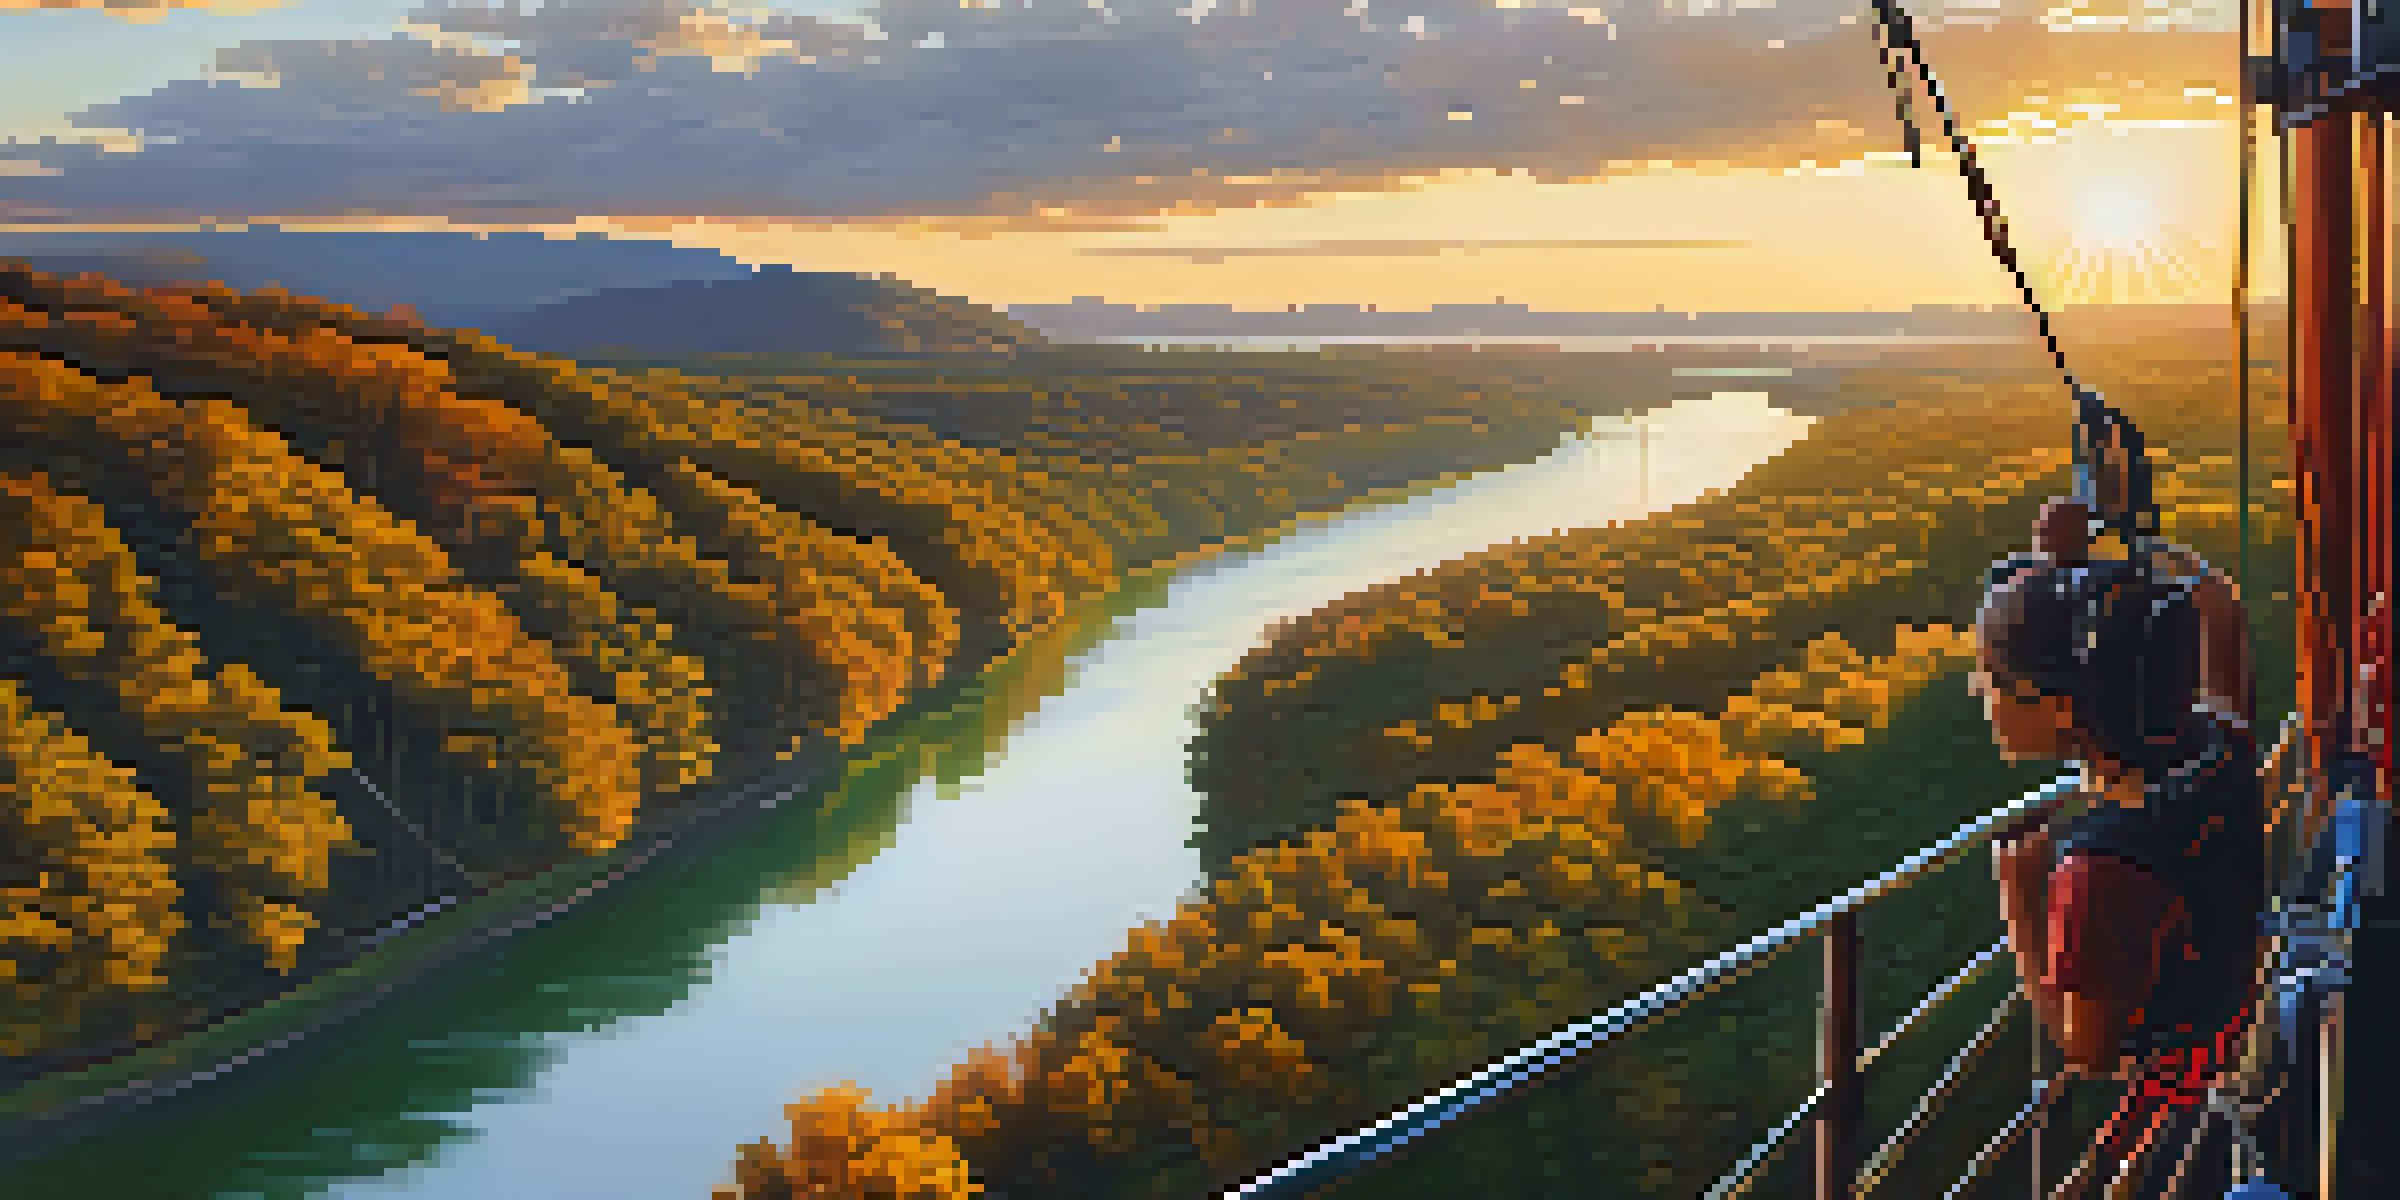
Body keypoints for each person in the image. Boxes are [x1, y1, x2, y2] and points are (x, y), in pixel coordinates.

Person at [1970, 549, 2267, 1195]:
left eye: (1994, 677)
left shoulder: (2097, 870)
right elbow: (2223, 627)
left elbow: (2090, 1051)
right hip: (2239, 1060)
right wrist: (2079, 584)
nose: (1980, 690)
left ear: (2060, 710)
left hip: (2177, 1135)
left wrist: (2022, 905)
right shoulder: (2221, 750)